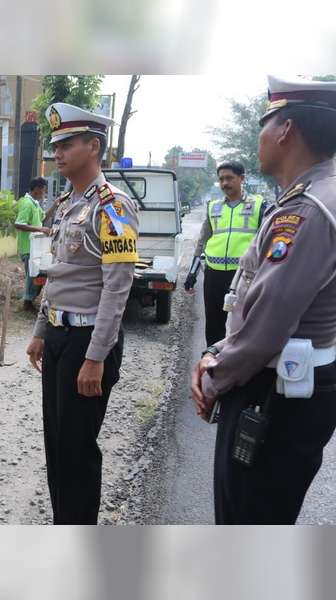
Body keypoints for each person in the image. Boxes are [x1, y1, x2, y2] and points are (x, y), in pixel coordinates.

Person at [191, 75, 336, 524]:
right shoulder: (308, 195)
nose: (259, 136)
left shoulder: (308, 207)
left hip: (272, 389)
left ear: (286, 130)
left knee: (246, 518)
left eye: (264, 123)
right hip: (283, 380)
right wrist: (219, 346)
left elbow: (270, 318)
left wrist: (216, 376)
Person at [25, 102, 139, 524]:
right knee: (56, 444)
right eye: (56, 144)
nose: (58, 152)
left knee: (77, 448)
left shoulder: (113, 206)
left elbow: (116, 288)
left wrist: (95, 357)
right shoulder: (70, 203)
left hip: (87, 343)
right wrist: (40, 329)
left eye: (68, 143)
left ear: (94, 146)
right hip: (58, 337)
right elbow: (59, 275)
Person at [184, 161, 266, 346]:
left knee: (245, 324)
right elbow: (203, 242)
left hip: (245, 276)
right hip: (214, 274)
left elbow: (267, 243)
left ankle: (240, 366)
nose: (224, 183)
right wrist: (192, 273)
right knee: (213, 325)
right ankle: (212, 366)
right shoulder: (213, 207)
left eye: (229, 178)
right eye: (221, 179)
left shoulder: (259, 205)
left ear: (242, 178)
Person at [14, 176, 52, 311]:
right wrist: (40, 229)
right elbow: (19, 224)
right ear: (37, 189)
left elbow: (43, 217)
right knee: (33, 275)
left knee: (40, 274)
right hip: (29, 247)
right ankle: (27, 302)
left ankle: (30, 299)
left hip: (37, 246)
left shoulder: (35, 203)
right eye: (43, 190)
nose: (44, 194)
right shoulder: (26, 203)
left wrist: (56, 205)